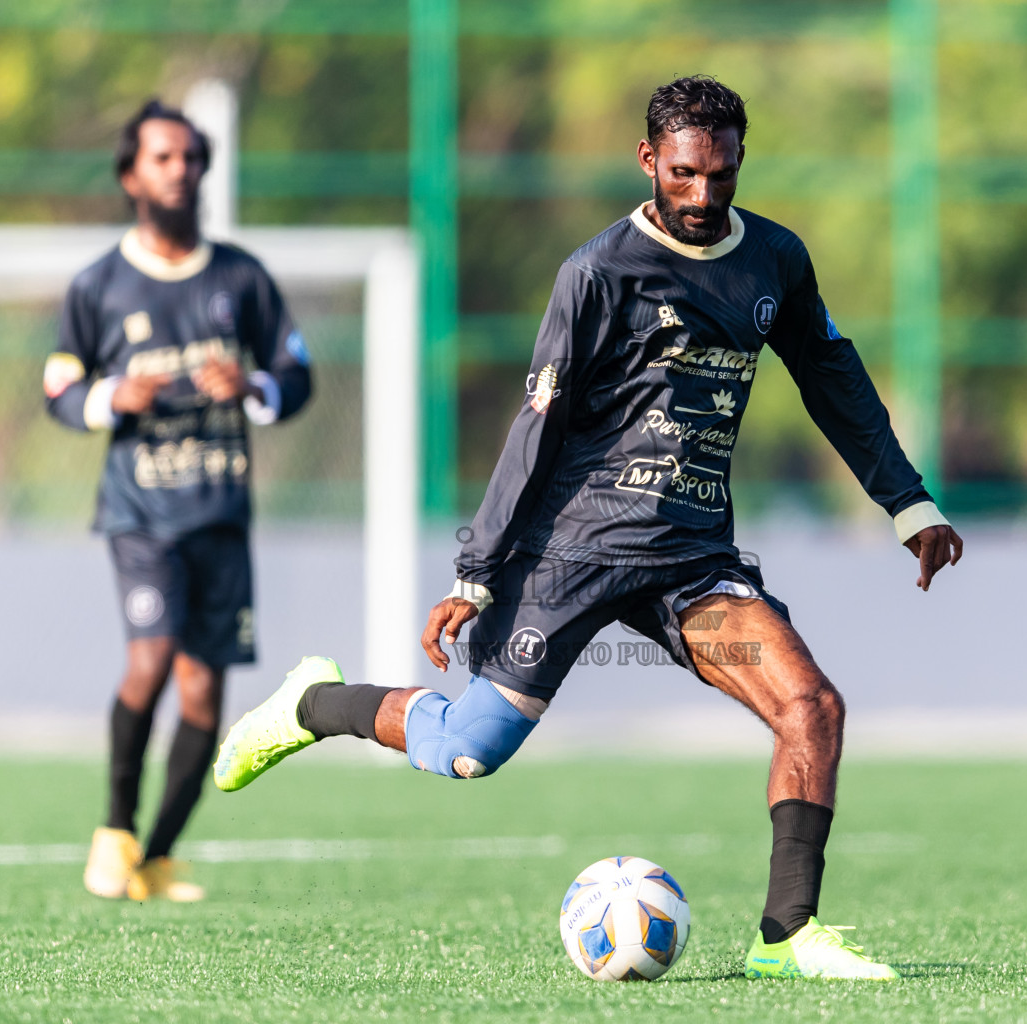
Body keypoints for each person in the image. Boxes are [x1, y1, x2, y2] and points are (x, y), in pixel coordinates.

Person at [214, 76, 961, 979]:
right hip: (570, 552)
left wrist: (907, 502)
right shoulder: (597, 273)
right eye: (684, 174)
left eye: (721, 175)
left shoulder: (774, 259)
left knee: (812, 708)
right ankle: (311, 704)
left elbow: (831, 377)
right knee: (465, 752)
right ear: (649, 161)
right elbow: (538, 426)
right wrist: (475, 572)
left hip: (692, 560)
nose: (702, 195)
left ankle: (788, 936)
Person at [44, 99, 313, 901]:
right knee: (152, 658)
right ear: (131, 175)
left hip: (221, 515)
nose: (180, 171)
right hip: (142, 513)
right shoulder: (98, 285)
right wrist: (110, 397)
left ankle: (156, 858)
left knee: (204, 690)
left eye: (191, 157)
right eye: (163, 158)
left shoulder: (240, 278)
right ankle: (115, 830)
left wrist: (255, 384)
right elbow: (58, 389)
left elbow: (296, 376)